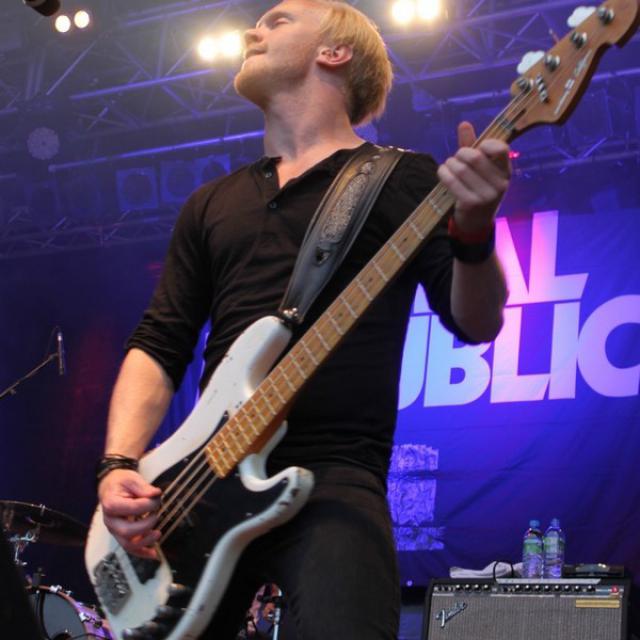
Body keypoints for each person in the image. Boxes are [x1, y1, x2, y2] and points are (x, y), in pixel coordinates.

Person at [96, 1, 510, 638]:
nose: (251, 31)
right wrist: (118, 464)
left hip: (335, 475)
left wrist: (474, 233)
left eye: (278, 20)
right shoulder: (211, 202)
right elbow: (160, 341)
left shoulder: (403, 178)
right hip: (196, 487)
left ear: (334, 52)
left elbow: (476, 322)